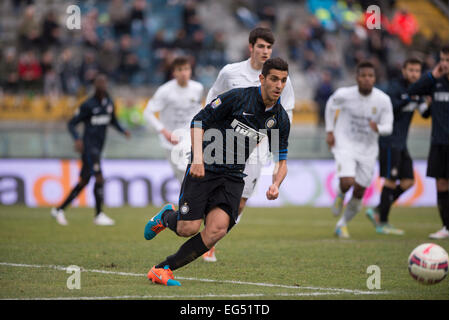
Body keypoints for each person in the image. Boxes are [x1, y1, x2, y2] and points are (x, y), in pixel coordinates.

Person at [143, 58, 291, 286]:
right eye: (274, 79)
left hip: (233, 176)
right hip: (206, 167)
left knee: (217, 230)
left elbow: (282, 161)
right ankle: (165, 217)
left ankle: (163, 269)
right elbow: (198, 121)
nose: (278, 85)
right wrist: (198, 160)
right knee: (187, 228)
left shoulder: (280, 119)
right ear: (262, 79)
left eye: (283, 80)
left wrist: (276, 184)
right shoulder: (238, 97)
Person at [203, 27, 295, 262]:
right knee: (212, 192)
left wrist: (270, 136)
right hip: (224, 142)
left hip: (257, 146)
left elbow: (288, 112)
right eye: (261, 46)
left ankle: (212, 240)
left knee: (241, 200)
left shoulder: (282, 80)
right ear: (251, 47)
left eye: (269, 47)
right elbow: (213, 97)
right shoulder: (231, 72)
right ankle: (206, 233)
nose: (265, 51)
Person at [325, 61, 393, 239]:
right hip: (345, 144)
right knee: (347, 181)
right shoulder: (345, 94)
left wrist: (378, 128)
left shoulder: (383, 100)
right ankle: (341, 194)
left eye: (370, 76)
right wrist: (330, 130)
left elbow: (389, 126)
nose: (367, 79)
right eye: (363, 76)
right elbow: (330, 106)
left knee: (359, 191)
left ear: (375, 78)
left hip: (368, 150)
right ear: (357, 77)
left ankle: (342, 224)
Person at [51, 74, 131, 226]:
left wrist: (123, 131)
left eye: (104, 82)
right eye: (99, 82)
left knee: (84, 181)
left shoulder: (109, 102)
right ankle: (99, 214)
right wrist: (77, 139)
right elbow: (71, 123)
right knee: (99, 177)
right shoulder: (88, 105)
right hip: (89, 148)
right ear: (95, 85)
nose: (102, 85)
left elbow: (113, 120)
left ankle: (59, 210)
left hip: (99, 147)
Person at [366, 58, 429, 235]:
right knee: (391, 181)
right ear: (404, 71)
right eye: (411, 70)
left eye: (417, 71)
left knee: (408, 182)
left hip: (402, 143)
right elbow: (390, 108)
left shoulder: (418, 90)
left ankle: (378, 209)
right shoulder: (394, 88)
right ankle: (382, 222)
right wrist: (411, 97)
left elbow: (424, 113)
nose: (414, 74)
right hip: (389, 142)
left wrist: (429, 103)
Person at [408, 45, 449, 239]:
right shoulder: (436, 82)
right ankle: (446, 227)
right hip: (438, 142)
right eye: (442, 59)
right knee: (441, 185)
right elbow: (413, 90)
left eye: (448, 60)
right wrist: (432, 75)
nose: (444, 64)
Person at [144, 57, 203, 183]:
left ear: (191, 71)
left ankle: (196, 200)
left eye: (186, 69)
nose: (183, 73)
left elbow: (198, 111)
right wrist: (164, 132)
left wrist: (199, 130)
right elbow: (148, 113)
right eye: (180, 70)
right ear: (174, 73)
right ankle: (187, 202)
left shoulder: (197, 88)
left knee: (188, 170)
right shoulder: (164, 91)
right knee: (181, 176)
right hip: (170, 139)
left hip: (189, 135)